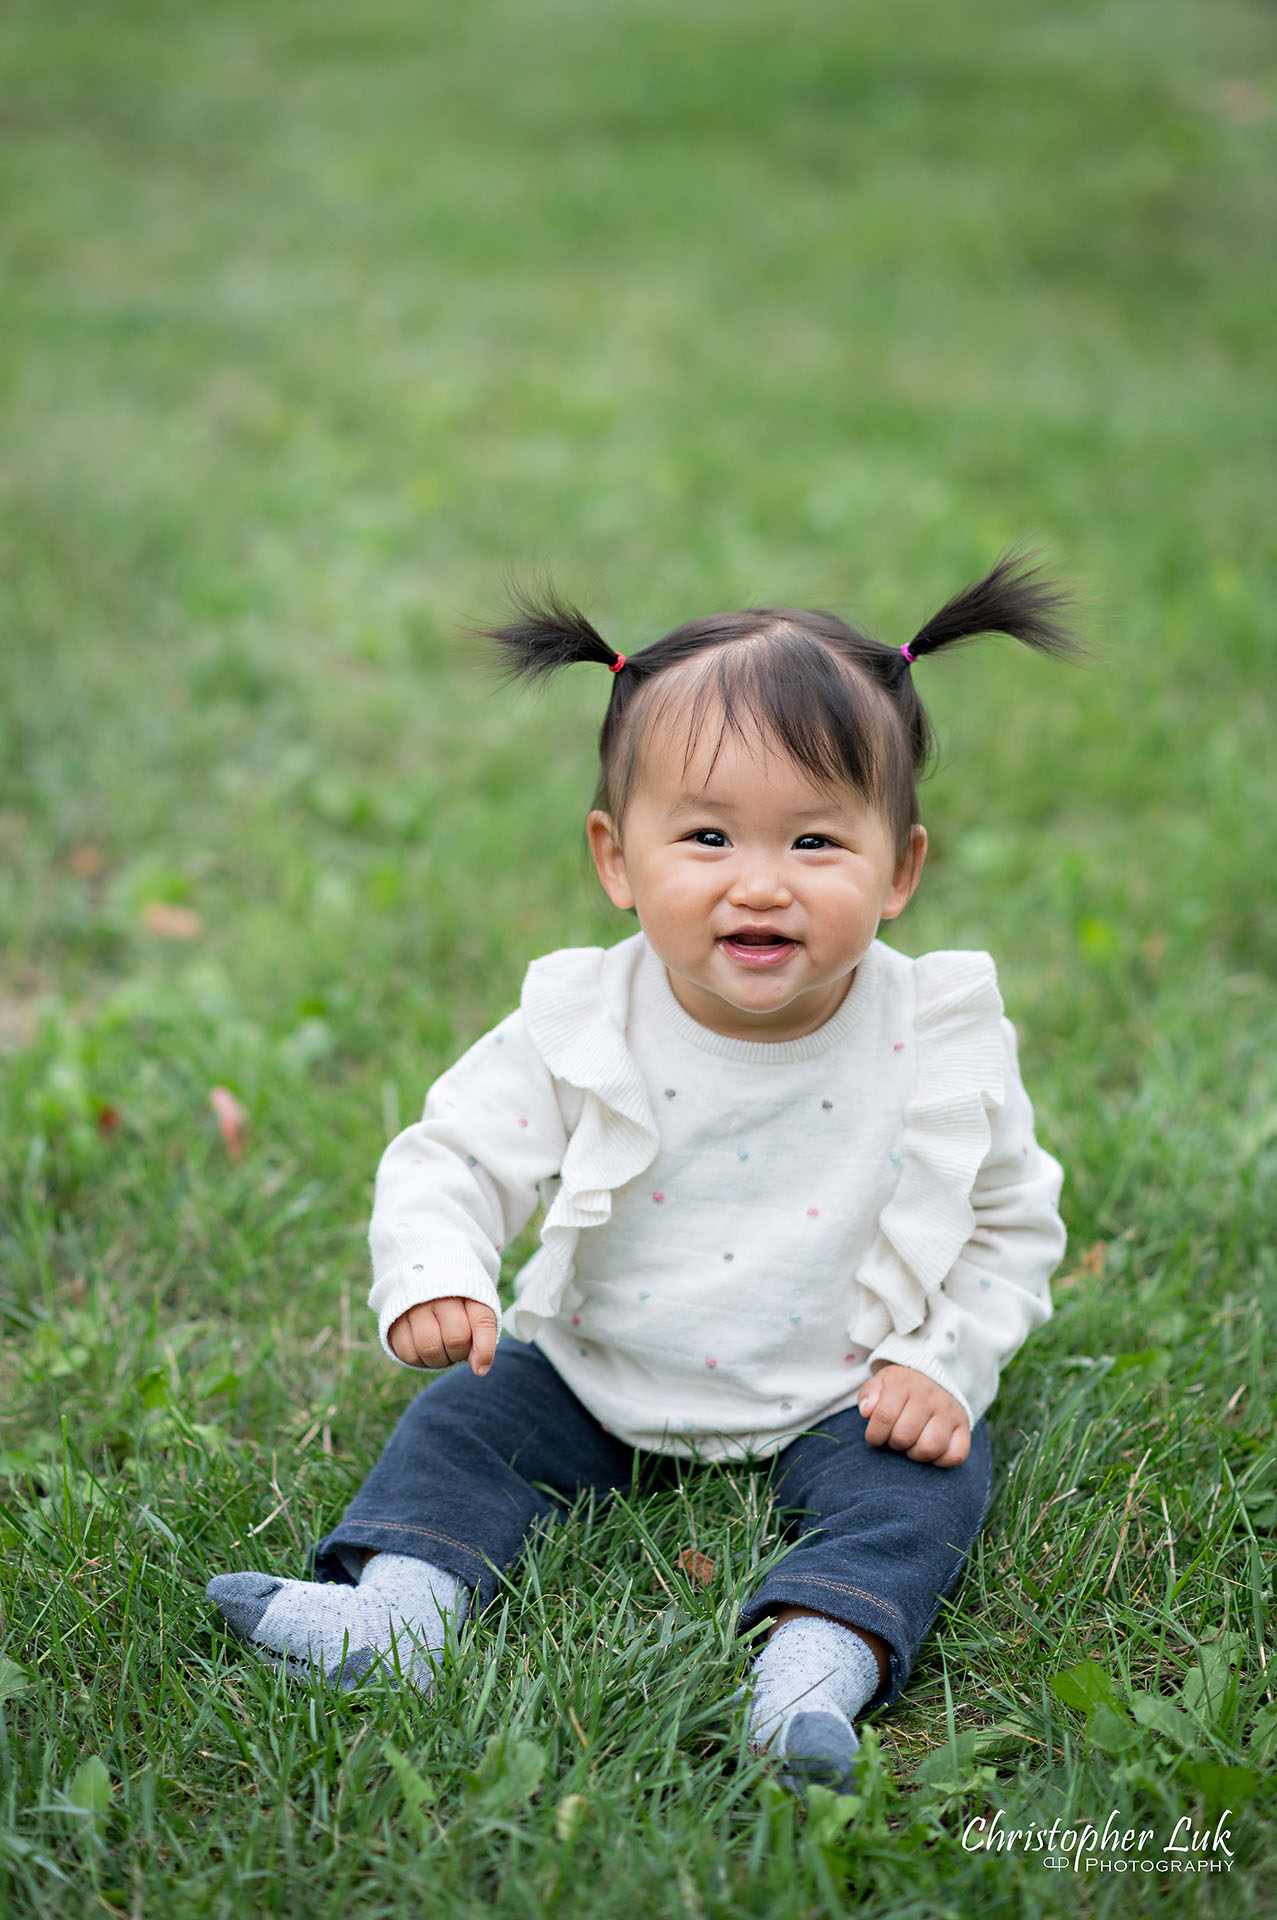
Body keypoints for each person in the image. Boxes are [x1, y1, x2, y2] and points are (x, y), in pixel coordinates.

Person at [207, 555, 1074, 1795]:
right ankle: (394, 1611)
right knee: (467, 1422)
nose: (760, 880)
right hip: (595, 1361)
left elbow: (1008, 1225)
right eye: (708, 835)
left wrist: (941, 1363)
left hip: (843, 1378)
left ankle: (813, 1666)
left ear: (898, 871)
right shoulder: (583, 1016)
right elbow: (454, 1152)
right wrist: (439, 1271)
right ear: (617, 861)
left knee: (924, 1485)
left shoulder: (934, 1036)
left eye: (816, 839)